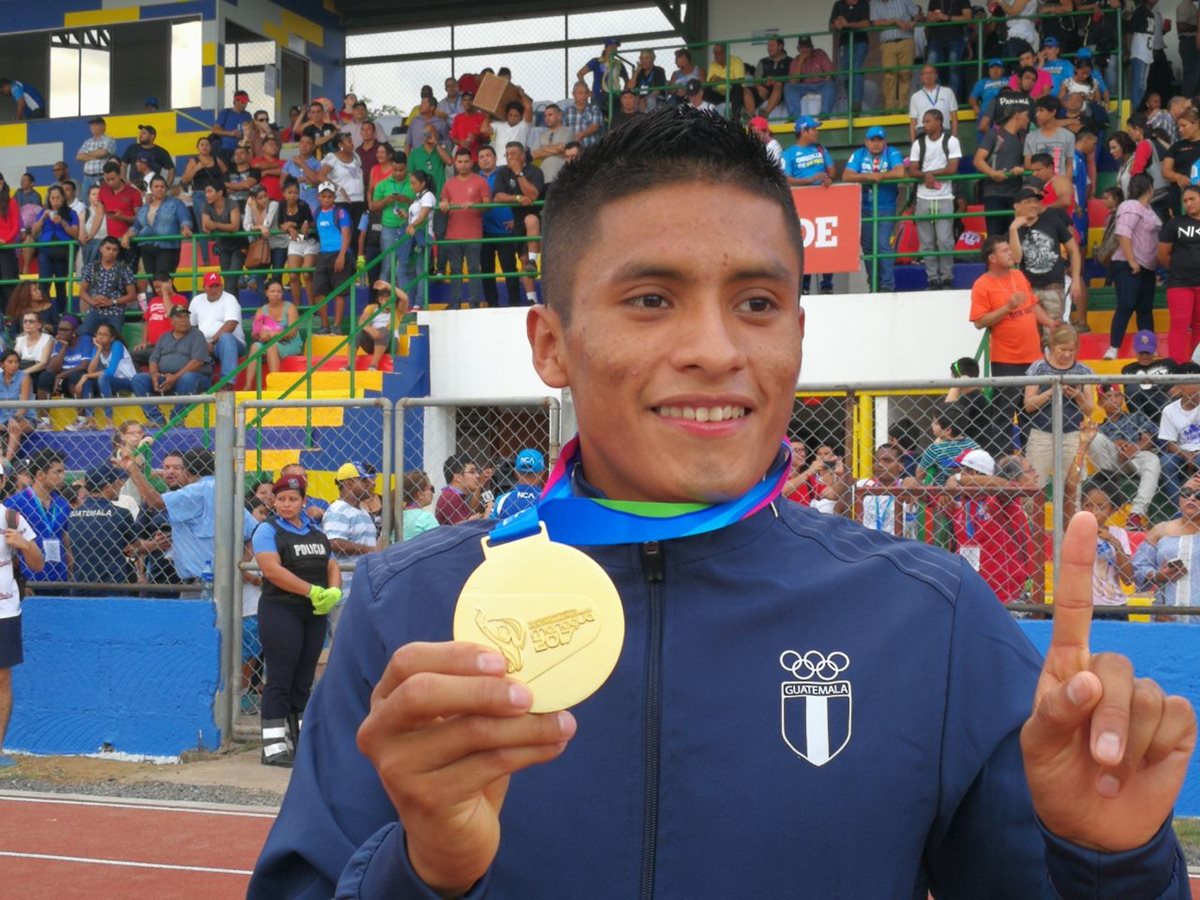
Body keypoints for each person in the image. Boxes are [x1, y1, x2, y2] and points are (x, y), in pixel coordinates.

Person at [251, 108, 1196, 898]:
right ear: (550, 345)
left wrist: (1106, 862)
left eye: (756, 304)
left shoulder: (932, 620)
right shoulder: (407, 609)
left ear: (797, 333)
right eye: (651, 299)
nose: (715, 349)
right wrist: (424, 871)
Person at [249, 471, 340, 766]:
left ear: (303, 501)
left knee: (304, 679)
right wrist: (310, 590)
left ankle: (304, 740)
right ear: (274, 502)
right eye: (281, 499)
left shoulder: (315, 531)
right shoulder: (268, 530)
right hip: (281, 609)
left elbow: (331, 564)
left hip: (313, 613)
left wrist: (334, 591)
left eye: (293, 499)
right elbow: (271, 570)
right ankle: (273, 746)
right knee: (280, 678)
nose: (286, 504)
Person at [970, 236, 1054, 438]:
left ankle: (1031, 455)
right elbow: (979, 321)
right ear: (992, 258)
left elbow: (1032, 305)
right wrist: (1008, 307)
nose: (1011, 253)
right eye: (1005, 250)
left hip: (1033, 357)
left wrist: (1051, 323)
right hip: (1006, 359)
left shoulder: (1018, 275)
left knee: (1033, 411)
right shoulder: (982, 284)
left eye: (1009, 249)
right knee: (1004, 412)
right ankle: (1003, 455)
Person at [0, 479, 43, 768]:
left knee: (2, 679)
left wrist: (24, 545)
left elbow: (38, 564)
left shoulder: (10, 517)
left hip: (4, 611)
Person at [1023, 325, 1096, 491]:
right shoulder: (1038, 368)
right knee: (1034, 485)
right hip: (1042, 434)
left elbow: (1089, 410)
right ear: (1052, 345)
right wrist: (1051, 392)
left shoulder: (1083, 371)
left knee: (1074, 486)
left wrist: (1077, 395)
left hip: (1073, 435)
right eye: (1063, 349)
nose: (1067, 354)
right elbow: (1029, 405)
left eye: (1071, 350)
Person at [1102, 172, 1163, 361]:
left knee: (1145, 309)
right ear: (1150, 189)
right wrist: (1131, 260)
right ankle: (1113, 348)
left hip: (1147, 267)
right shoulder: (1130, 206)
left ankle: (1148, 349)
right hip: (1129, 265)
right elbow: (1123, 234)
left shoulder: (1149, 209)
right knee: (1126, 305)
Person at [1009, 183, 1082, 330]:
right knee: (1033, 333)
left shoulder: (1052, 219)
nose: (1034, 205)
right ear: (1017, 206)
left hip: (1053, 287)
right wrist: (1013, 229)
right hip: (1029, 290)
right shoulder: (1014, 228)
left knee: (1053, 332)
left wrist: (1075, 281)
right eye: (1028, 202)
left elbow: (1074, 250)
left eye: (1035, 201)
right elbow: (1016, 258)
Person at [1089, 384, 1161, 531]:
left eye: (1117, 396)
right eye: (1108, 397)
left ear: (1122, 398)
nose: (1114, 400)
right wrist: (1115, 444)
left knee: (1153, 459)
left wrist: (1134, 448)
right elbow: (1101, 447)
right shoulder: (1100, 427)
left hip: (1137, 457)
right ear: (1100, 403)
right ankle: (1109, 484)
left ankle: (1136, 514)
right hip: (1114, 462)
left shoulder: (1137, 417)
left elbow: (1148, 439)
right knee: (1095, 437)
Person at [842, 127, 906, 293]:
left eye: (879, 140)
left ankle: (887, 285)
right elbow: (846, 175)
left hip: (886, 207)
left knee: (883, 244)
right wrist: (869, 177)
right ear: (866, 142)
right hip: (864, 208)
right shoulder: (859, 154)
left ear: (885, 142)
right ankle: (874, 284)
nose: (876, 144)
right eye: (873, 140)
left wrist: (882, 176)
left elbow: (900, 172)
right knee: (868, 247)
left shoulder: (892, 152)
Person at [1134, 471, 1200, 620]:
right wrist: (1157, 576)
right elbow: (1137, 567)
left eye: (1199, 494)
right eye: (1186, 492)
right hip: (1166, 616)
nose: (1191, 498)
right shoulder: (1160, 530)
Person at [907, 109, 961, 291]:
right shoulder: (918, 143)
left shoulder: (951, 141)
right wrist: (928, 176)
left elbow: (952, 169)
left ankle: (946, 277)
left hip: (944, 196)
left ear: (939, 122)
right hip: (923, 197)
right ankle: (932, 279)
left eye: (928, 121)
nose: (924, 124)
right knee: (927, 242)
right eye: (924, 121)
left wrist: (929, 174)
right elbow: (912, 169)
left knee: (945, 241)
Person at [783, 117, 835, 294]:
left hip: (823, 202)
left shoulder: (820, 149)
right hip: (802, 205)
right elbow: (785, 179)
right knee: (805, 243)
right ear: (804, 131)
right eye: (813, 129)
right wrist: (810, 180)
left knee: (826, 242)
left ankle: (827, 284)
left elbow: (832, 171)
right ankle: (804, 286)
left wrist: (827, 178)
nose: (816, 132)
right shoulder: (789, 153)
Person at [131, 306, 212, 421]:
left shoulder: (197, 335)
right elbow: (153, 359)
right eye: (180, 317)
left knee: (188, 378)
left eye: (186, 317)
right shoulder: (164, 337)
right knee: (138, 379)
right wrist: (154, 375)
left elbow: (197, 362)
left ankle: (176, 418)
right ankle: (157, 419)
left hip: (194, 379)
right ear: (172, 321)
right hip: (166, 379)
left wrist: (175, 377)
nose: (184, 320)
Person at [66, 462, 136, 593]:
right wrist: (154, 544)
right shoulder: (121, 514)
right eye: (117, 482)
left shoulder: (73, 515)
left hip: (81, 587)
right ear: (108, 486)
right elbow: (136, 546)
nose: (121, 486)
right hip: (113, 589)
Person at [492, 143, 546, 306]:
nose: (509, 157)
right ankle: (532, 299)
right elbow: (497, 197)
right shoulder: (503, 172)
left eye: (513, 154)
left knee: (531, 219)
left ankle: (533, 260)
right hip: (517, 221)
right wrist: (517, 198)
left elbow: (533, 195)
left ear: (522, 156)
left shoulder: (535, 171)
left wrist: (519, 173)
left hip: (538, 218)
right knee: (523, 260)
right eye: (507, 154)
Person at [7, 449, 71, 587]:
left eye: (63, 471)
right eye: (57, 472)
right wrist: (15, 580)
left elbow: (65, 540)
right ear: (40, 475)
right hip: (28, 579)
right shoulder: (15, 503)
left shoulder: (63, 504)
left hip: (60, 579)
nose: (63, 476)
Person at [439, 148, 491, 309]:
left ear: (471, 162)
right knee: (455, 270)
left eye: (466, 161)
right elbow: (443, 202)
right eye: (460, 162)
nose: (463, 165)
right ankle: (455, 302)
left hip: (473, 234)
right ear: (455, 163)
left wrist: (475, 204)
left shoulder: (480, 181)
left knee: (474, 269)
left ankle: (474, 302)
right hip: (452, 234)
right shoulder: (449, 183)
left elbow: (488, 205)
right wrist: (443, 205)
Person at [123, 175, 192, 289]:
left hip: (167, 247)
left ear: (166, 188)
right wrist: (127, 235)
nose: (159, 189)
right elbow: (136, 226)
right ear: (151, 189)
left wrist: (186, 228)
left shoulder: (176, 203)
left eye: (162, 186)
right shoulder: (144, 208)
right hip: (146, 248)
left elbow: (184, 218)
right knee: (153, 283)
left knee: (163, 281)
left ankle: (176, 300)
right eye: (156, 186)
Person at [324, 462, 380, 602]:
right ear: (349, 483)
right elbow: (334, 543)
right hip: (345, 592)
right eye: (365, 480)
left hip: (361, 588)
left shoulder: (362, 511)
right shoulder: (338, 510)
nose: (372, 483)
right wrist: (371, 550)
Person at [973, 104, 1030, 236]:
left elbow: (1027, 164)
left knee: (1014, 235)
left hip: (1016, 194)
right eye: (1026, 116)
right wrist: (993, 173)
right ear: (1017, 115)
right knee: (995, 236)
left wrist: (1021, 169)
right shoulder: (994, 134)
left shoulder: (1023, 138)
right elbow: (978, 160)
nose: (1028, 119)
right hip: (994, 192)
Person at [1160, 183, 1200, 362]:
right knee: (1179, 325)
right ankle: (1175, 367)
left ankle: (1197, 367)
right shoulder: (1175, 224)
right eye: (1185, 201)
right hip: (1180, 284)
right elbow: (1162, 254)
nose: (1188, 203)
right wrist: (1179, 268)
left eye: (1192, 199)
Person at [477, 146, 519, 309]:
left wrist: (516, 219)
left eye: (488, 155)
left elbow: (519, 196)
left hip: (505, 230)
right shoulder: (474, 179)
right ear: (477, 161)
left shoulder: (506, 174)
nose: (485, 159)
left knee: (510, 269)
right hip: (483, 231)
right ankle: (492, 304)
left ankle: (514, 303)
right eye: (481, 156)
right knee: (487, 271)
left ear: (495, 158)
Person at [74, 321, 135, 428]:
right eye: (99, 334)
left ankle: (109, 421)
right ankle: (90, 420)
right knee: (88, 381)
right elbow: (90, 371)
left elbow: (110, 372)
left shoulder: (117, 345)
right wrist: (98, 350)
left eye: (105, 335)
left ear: (112, 338)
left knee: (102, 378)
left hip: (127, 382)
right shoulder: (98, 347)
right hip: (110, 382)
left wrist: (85, 376)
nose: (101, 337)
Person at [243, 280, 300, 390]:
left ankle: (274, 385)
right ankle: (248, 385)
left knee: (271, 347)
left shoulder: (290, 307)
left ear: (282, 293)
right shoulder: (261, 310)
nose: (275, 294)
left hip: (289, 342)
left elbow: (292, 332)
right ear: (266, 293)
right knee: (255, 347)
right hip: (268, 341)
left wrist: (275, 334)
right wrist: (261, 334)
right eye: (272, 291)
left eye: (279, 291)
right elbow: (254, 334)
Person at [1158, 361, 1200, 508]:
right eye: (1189, 391)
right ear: (1179, 387)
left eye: (1197, 387)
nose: (1194, 393)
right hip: (1181, 452)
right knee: (1166, 462)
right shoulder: (1170, 410)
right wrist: (1185, 454)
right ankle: (1180, 508)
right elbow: (1169, 442)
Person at [312, 182, 353, 333]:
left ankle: (337, 325)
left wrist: (341, 256)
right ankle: (324, 325)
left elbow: (346, 235)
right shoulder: (316, 212)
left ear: (334, 197)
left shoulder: (340, 212)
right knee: (318, 291)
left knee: (339, 291)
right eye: (323, 196)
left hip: (339, 253)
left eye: (330, 196)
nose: (327, 199)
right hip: (323, 254)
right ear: (318, 197)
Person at [870, 0, 920, 111]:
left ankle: (903, 107)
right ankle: (889, 109)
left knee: (905, 74)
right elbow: (875, 22)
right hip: (888, 43)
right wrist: (894, 21)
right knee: (889, 76)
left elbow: (917, 13)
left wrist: (914, 22)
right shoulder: (874, 3)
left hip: (906, 40)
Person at [279, 177, 318, 309]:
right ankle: (298, 309)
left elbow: (308, 223)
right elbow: (280, 224)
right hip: (295, 242)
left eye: (295, 193)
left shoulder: (303, 205)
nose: (293, 195)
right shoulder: (281, 205)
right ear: (284, 193)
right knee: (293, 275)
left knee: (307, 273)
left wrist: (298, 225)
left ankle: (312, 308)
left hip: (309, 242)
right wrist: (289, 228)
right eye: (289, 192)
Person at [200, 181, 245, 295]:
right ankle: (234, 305)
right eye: (205, 192)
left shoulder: (232, 203)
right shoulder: (206, 205)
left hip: (239, 245)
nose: (206, 195)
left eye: (210, 191)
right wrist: (209, 227)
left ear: (220, 192)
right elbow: (206, 225)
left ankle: (230, 306)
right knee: (228, 280)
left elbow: (235, 226)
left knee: (231, 281)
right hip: (223, 246)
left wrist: (216, 225)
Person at [1125, 330, 1178, 420]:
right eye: (1141, 352)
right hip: (1147, 407)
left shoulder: (1169, 363)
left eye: (1148, 352)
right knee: (1131, 388)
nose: (1144, 356)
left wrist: (1179, 386)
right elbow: (1132, 397)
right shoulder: (1128, 369)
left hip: (1168, 402)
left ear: (1155, 349)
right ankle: (1142, 424)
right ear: (1135, 350)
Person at [783, 37, 836, 119]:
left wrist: (826, 81)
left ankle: (824, 115)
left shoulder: (820, 55)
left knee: (830, 84)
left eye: (807, 47)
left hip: (820, 84)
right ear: (798, 49)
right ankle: (794, 117)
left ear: (812, 47)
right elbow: (793, 81)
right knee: (789, 87)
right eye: (802, 47)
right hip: (804, 87)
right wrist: (801, 61)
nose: (805, 50)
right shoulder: (796, 60)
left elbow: (830, 72)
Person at [908, 64, 959, 142]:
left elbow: (954, 116)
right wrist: (913, 143)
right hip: (922, 134)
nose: (929, 76)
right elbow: (913, 122)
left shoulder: (948, 92)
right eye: (926, 73)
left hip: (943, 132)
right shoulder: (915, 96)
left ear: (936, 76)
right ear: (921, 77)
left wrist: (954, 138)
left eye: (931, 73)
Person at [435, 454, 489, 525]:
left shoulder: (454, 496)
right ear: (458, 477)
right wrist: (489, 507)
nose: (478, 475)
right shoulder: (450, 497)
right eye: (472, 472)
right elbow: (464, 528)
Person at [492, 449, 545, 519]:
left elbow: (489, 524)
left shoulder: (502, 500)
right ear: (541, 473)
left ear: (516, 472)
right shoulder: (549, 501)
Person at [0, 350, 33, 460]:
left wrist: (14, 418)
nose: (14, 365)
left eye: (16, 362)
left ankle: (7, 463)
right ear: (2, 364)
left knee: (14, 427)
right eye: (10, 362)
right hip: (3, 419)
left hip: (24, 418)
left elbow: (24, 406)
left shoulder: (24, 377)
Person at [75, 117, 117, 193]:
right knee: (86, 199)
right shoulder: (87, 142)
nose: (92, 127)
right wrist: (98, 156)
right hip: (87, 178)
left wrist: (86, 153)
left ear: (103, 126)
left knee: (103, 198)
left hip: (102, 177)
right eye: (91, 125)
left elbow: (103, 152)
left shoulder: (109, 139)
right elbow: (79, 157)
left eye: (96, 124)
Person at [400, 470, 439, 541]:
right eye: (431, 489)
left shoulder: (396, 517)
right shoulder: (426, 518)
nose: (432, 493)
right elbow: (438, 541)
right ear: (420, 494)